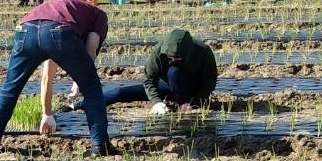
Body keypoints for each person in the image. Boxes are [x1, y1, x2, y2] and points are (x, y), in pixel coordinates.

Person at [0, 0, 115, 158]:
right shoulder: (99, 15)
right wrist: (82, 79)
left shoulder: (62, 9)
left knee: (10, 90)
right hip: (59, 32)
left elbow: (47, 76)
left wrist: (47, 114)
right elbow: (91, 47)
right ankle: (100, 145)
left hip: (25, 31)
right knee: (92, 89)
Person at [66, 29, 217, 115]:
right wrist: (156, 102)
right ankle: (77, 105)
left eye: (177, 58)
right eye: (169, 57)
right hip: (171, 87)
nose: (172, 60)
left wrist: (195, 102)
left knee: (174, 72)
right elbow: (149, 80)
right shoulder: (159, 50)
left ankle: (183, 103)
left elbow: (209, 83)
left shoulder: (203, 52)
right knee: (120, 93)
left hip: (191, 88)